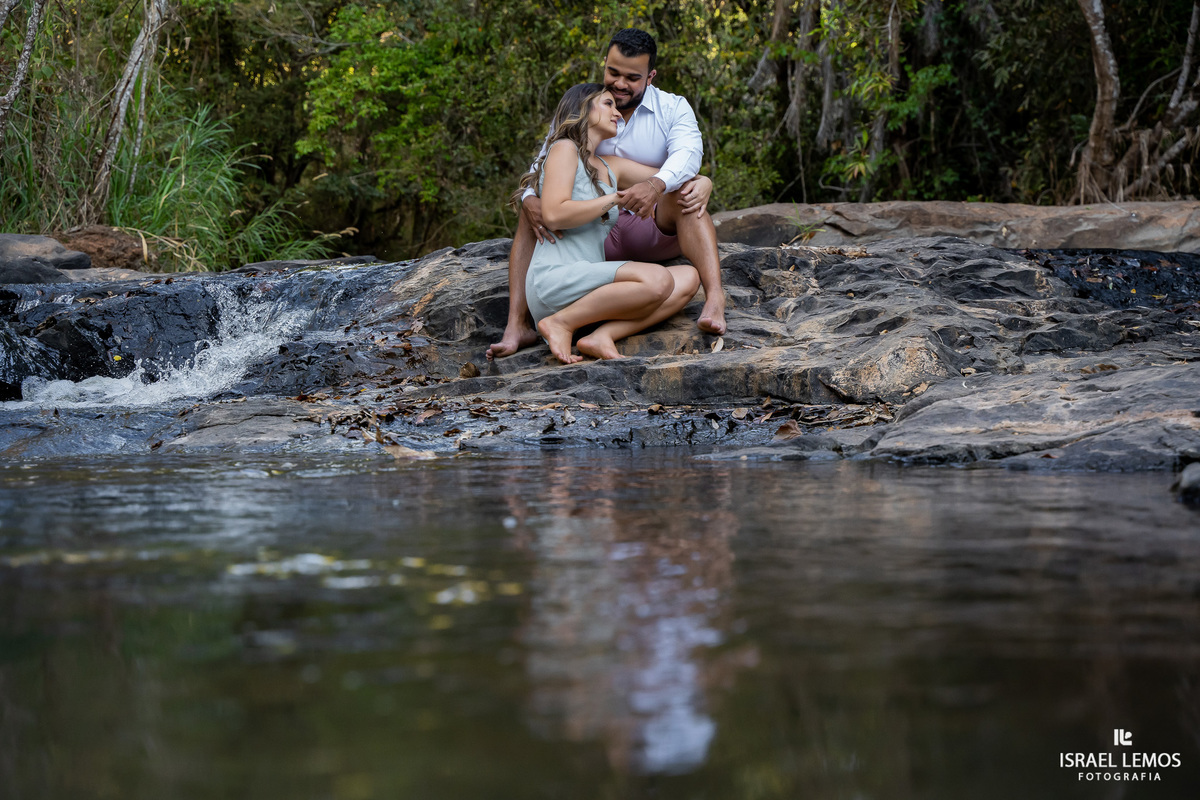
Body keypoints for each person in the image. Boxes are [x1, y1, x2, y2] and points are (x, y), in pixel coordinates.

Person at [487, 28, 726, 361]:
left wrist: (700, 181)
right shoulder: (576, 123)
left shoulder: (667, 113)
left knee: (687, 259)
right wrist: (529, 198)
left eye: (632, 77)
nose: (619, 85)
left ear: (650, 76)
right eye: (613, 74)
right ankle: (519, 324)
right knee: (532, 210)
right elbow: (539, 172)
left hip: (642, 222)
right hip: (587, 244)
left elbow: (686, 160)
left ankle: (609, 333)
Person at [517, 83, 703, 364]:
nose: (617, 113)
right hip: (556, 278)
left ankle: (601, 336)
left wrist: (704, 182)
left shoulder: (609, 166)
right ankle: (560, 323)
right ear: (583, 109)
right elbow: (554, 214)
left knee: (688, 278)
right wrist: (613, 199)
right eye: (608, 104)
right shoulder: (564, 149)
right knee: (658, 280)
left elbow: (672, 178)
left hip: (590, 285)